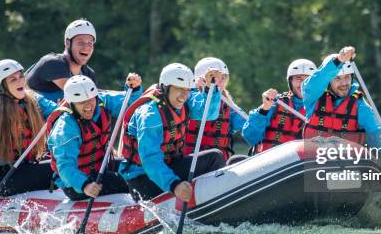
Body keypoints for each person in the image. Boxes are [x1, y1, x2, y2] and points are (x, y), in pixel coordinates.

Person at [119, 63, 226, 203]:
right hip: (144, 182)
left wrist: (211, 88)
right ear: (165, 87)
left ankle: (207, 201)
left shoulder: (182, 104)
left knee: (215, 157)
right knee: (214, 157)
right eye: (179, 89)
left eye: (187, 90)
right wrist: (174, 185)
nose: (185, 95)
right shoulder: (149, 116)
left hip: (169, 168)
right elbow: (150, 160)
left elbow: (209, 113)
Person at [0, 59, 59, 214]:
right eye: (13, 79)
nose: (20, 81)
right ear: (1, 87)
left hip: (26, 166)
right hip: (2, 178)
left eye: (20, 76)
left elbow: (57, 112)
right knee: (60, 170)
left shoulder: (33, 100)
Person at [47, 74, 143, 201]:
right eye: (81, 102)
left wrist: (135, 89)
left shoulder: (102, 101)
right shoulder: (65, 128)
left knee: (137, 170)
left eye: (91, 100)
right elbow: (65, 167)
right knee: (130, 181)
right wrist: (84, 185)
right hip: (77, 183)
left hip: (101, 167)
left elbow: (129, 103)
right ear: (72, 104)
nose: (88, 106)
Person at [301, 46, 381, 148]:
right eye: (337, 78)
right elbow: (313, 84)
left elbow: (375, 132)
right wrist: (338, 61)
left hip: (345, 160)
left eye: (347, 77)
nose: (344, 83)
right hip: (315, 159)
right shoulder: (313, 97)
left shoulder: (359, 104)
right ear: (328, 81)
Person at [242, 59, 316, 153]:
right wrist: (265, 109)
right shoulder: (274, 103)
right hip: (272, 162)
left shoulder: (320, 107)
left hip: (300, 163)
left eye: (308, 79)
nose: (303, 84)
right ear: (290, 81)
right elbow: (251, 137)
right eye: (298, 78)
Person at [183, 57, 247, 162]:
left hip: (219, 163)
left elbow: (246, 125)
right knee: (215, 156)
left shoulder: (225, 101)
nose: (221, 82)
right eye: (217, 79)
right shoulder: (190, 97)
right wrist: (209, 90)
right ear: (202, 79)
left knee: (239, 160)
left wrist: (264, 112)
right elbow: (207, 113)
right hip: (194, 162)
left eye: (223, 78)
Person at [26, 19, 97, 102]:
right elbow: (77, 91)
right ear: (67, 43)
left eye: (90, 43)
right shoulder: (53, 63)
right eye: (80, 43)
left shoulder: (89, 74)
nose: (86, 47)